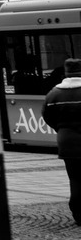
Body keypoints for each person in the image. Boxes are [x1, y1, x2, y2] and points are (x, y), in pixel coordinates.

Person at [42, 57, 81, 226]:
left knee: (75, 179)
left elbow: (47, 116)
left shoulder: (54, 93)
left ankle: (78, 213)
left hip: (67, 143)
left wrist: (61, 129)